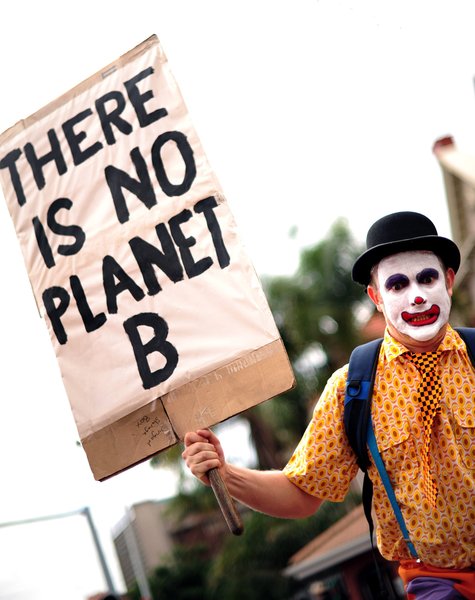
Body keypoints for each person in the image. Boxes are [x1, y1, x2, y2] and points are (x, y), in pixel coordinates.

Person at [182, 211, 475, 600]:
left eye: (427, 278)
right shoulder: (353, 388)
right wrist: (225, 473)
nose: (416, 295)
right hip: (438, 583)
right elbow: (302, 493)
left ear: (449, 281)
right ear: (376, 297)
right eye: (398, 284)